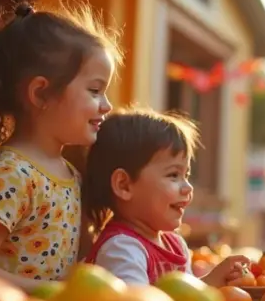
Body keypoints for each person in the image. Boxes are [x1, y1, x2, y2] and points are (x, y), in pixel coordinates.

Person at [0, 1, 119, 291]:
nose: (107, 105)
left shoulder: (72, 177)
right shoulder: (9, 175)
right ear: (40, 93)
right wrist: (49, 293)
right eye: (95, 90)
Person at [82, 110, 248, 286]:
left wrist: (213, 281)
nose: (188, 187)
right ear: (124, 185)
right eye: (173, 175)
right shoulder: (121, 249)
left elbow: (189, 296)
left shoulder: (175, 243)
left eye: (186, 175)